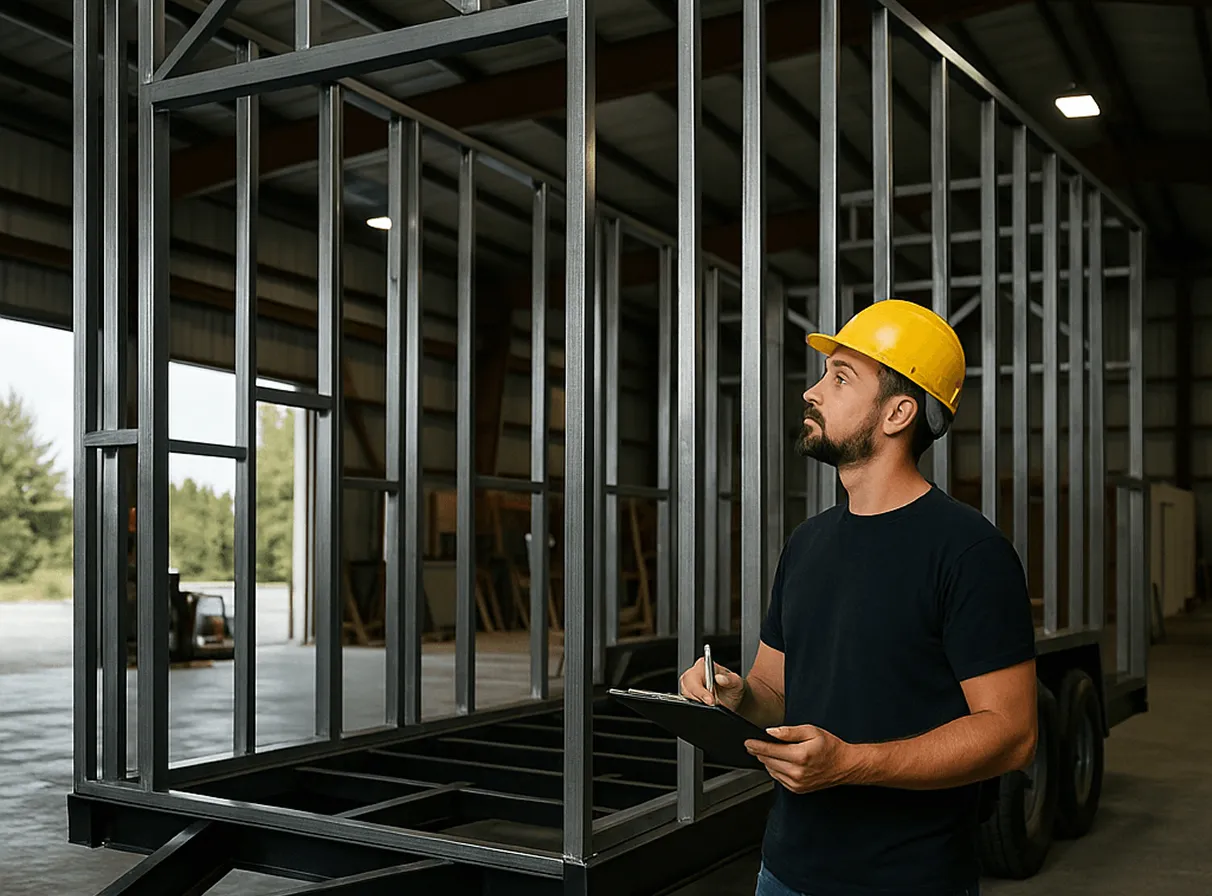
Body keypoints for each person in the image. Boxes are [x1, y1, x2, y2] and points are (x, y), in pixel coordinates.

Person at [679, 299, 1038, 896]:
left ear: (898, 412)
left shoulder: (970, 552)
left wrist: (850, 764)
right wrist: (737, 694)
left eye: (840, 377)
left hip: (906, 880)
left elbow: (1011, 733)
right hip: (785, 870)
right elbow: (776, 693)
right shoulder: (807, 543)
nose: (811, 392)